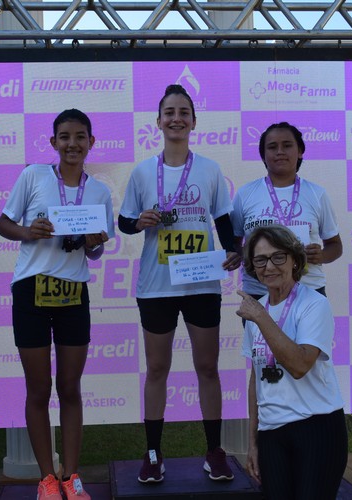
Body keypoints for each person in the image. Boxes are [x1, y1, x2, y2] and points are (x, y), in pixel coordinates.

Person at [118, 84, 242, 483]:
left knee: (208, 366)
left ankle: (214, 451)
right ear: (158, 122)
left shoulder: (208, 169)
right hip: (156, 286)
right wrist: (140, 223)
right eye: (169, 111)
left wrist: (234, 250)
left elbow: (223, 219)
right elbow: (124, 221)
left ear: (193, 121)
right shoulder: (141, 171)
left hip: (201, 282)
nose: (176, 118)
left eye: (184, 112)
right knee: (157, 368)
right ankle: (153, 453)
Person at [0, 109, 114, 500]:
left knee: (70, 387)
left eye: (80, 137)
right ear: (53, 143)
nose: (72, 144)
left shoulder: (98, 192)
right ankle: (47, 479)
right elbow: (3, 224)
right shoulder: (33, 176)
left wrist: (94, 243)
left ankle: (72, 477)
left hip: (72, 293)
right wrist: (29, 231)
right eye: (64, 137)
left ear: (91, 143)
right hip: (31, 291)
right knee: (38, 388)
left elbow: (94, 253)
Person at [236, 225, 347, 500]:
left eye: (278, 257)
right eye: (260, 259)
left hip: (317, 428)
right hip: (272, 432)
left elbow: (299, 365)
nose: (269, 266)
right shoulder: (258, 308)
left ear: (295, 260)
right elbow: (256, 379)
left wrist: (261, 317)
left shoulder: (313, 304)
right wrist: (252, 443)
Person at [231, 121, 342, 298]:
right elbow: (234, 242)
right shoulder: (245, 194)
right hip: (260, 292)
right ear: (263, 155)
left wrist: (321, 255)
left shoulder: (317, 194)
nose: (280, 151)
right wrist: (243, 254)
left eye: (287, 145)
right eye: (272, 147)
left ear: (299, 152)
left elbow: (335, 246)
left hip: (308, 291)